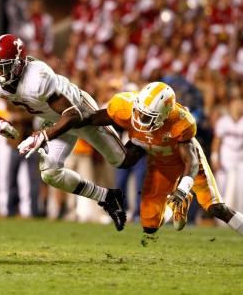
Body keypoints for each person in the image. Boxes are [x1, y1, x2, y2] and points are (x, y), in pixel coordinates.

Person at [0, 34, 139, 231]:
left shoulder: (37, 78)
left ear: (19, 64)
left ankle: (144, 130)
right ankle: (108, 197)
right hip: (53, 119)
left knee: (123, 160)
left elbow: (72, 116)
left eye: (4, 66)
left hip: (79, 111)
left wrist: (43, 135)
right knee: (50, 173)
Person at [81, 81, 243, 237]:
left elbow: (191, 161)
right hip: (160, 163)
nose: (140, 119)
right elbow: (92, 119)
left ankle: (187, 198)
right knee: (150, 225)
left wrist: (183, 188)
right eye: (139, 112)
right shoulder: (124, 105)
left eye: (147, 116)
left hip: (186, 161)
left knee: (215, 208)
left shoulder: (180, 122)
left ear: (164, 116)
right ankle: (176, 205)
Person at [211, 96, 243, 218]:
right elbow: (217, 140)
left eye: (240, 104)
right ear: (230, 106)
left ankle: (239, 217)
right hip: (225, 159)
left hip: (241, 160)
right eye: (236, 104)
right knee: (221, 187)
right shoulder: (223, 121)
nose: (238, 107)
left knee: (241, 189)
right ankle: (219, 216)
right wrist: (215, 158)